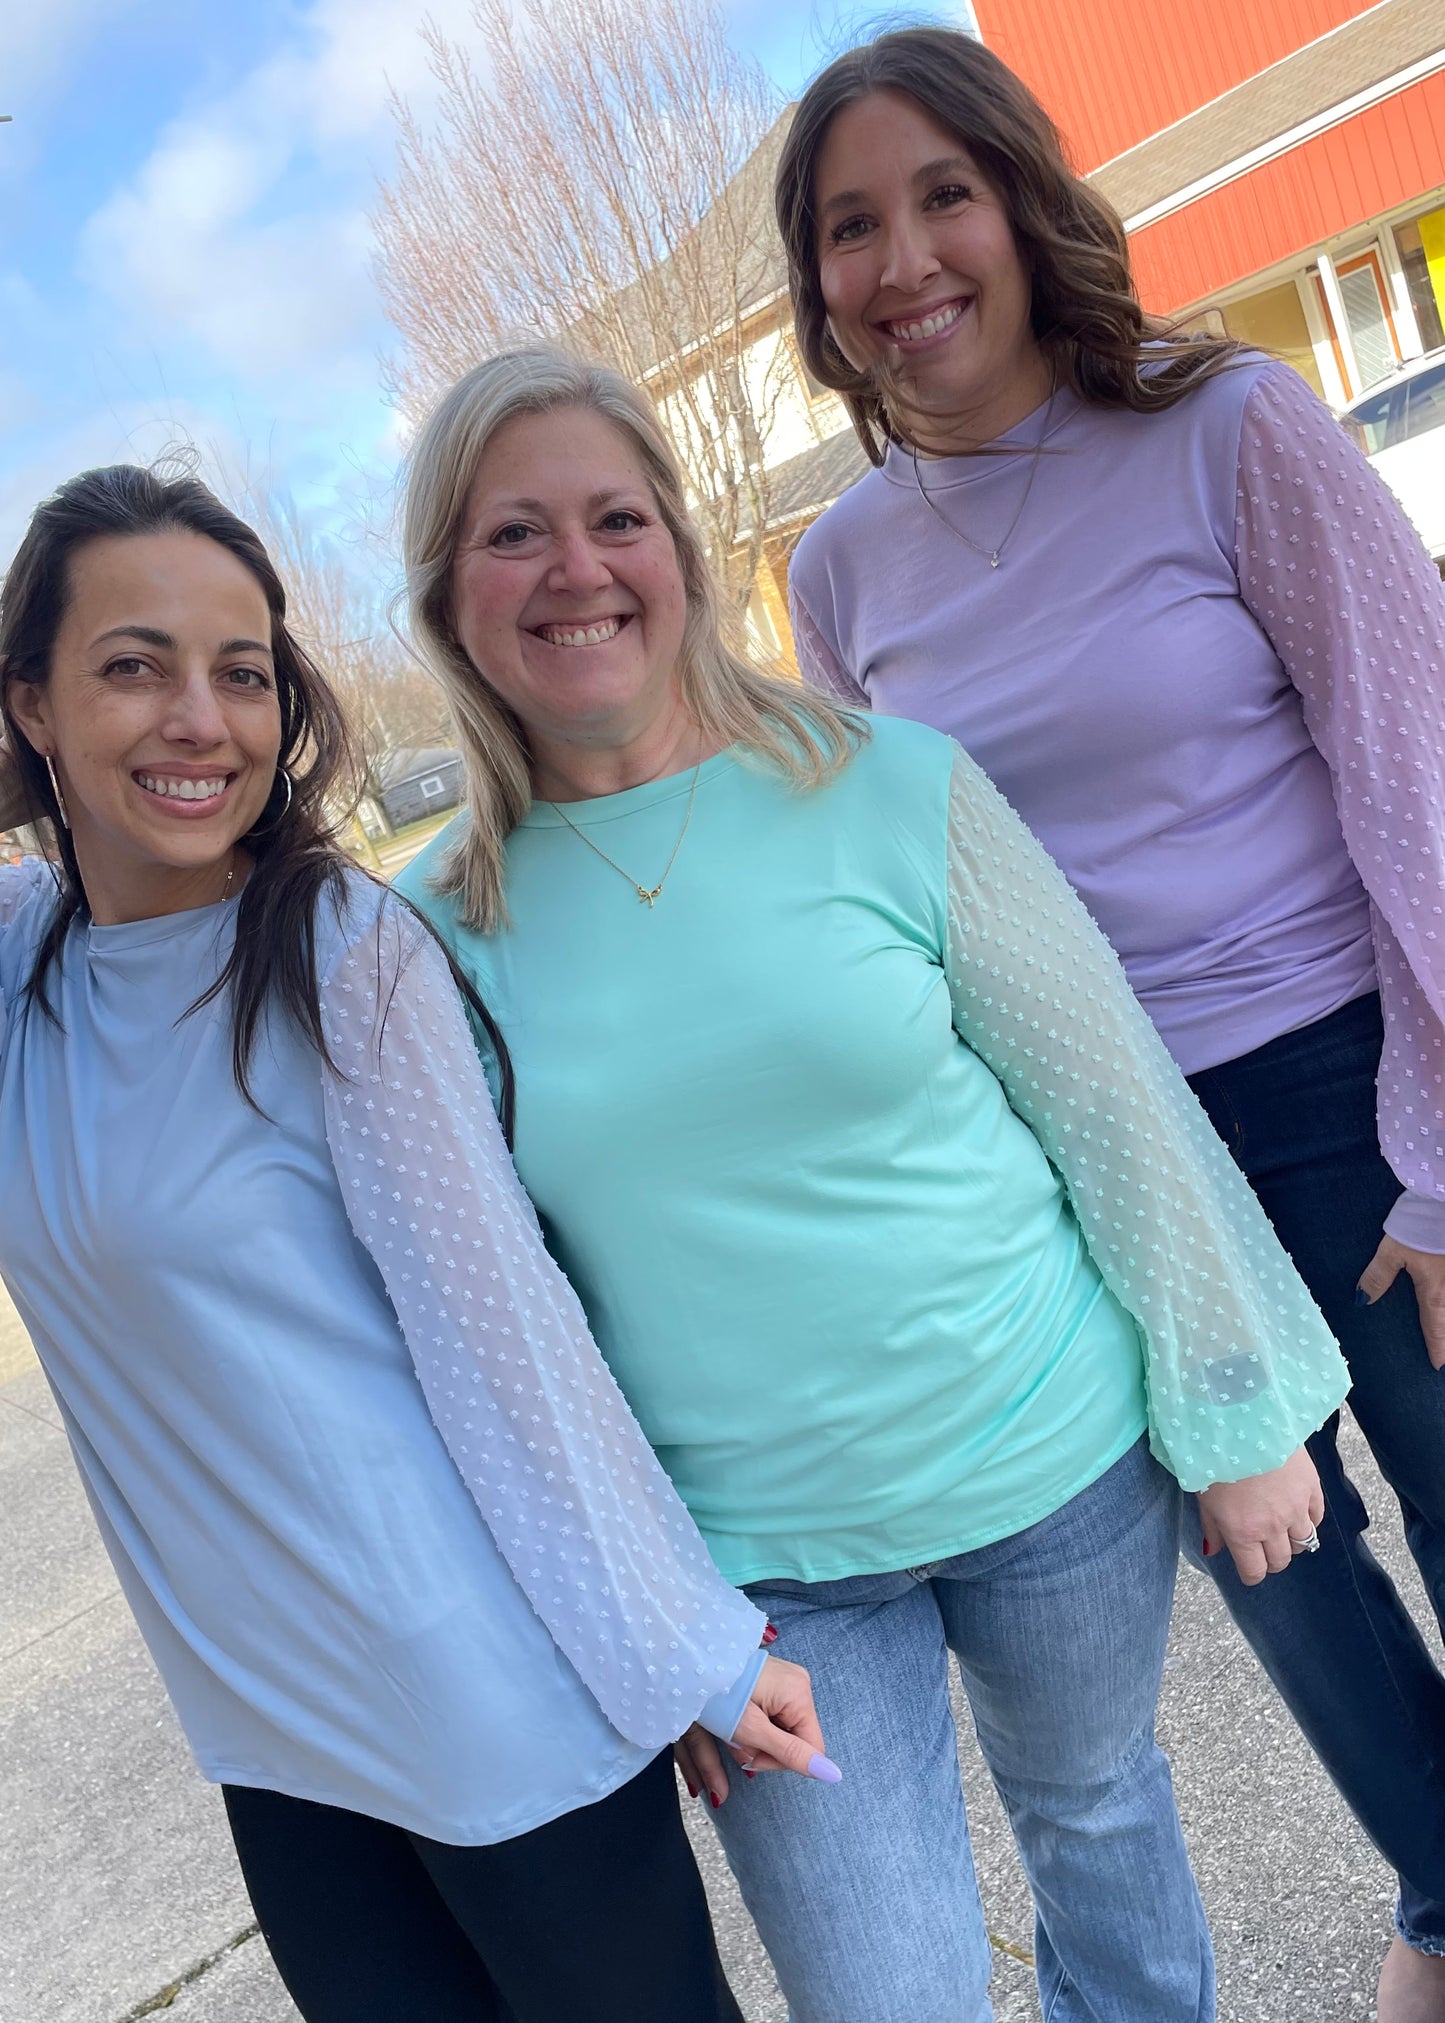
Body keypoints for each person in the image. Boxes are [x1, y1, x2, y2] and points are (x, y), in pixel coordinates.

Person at [394, 343, 1351, 2023]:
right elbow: (501, 1324)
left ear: (680, 556)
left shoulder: (889, 786)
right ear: (443, 595)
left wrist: (1237, 1403)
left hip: (1053, 1467)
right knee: (880, 1995)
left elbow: (1107, 1098)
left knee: (1100, 1820)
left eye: (615, 517)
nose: (574, 570)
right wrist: (654, 1632)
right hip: (760, 1567)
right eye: (510, 533)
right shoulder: (433, 933)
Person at [772, 25, 1445, 2020]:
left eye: (941, 197)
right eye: (849, 227)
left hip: (1347, 1081)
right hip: (1107, 1150)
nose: (905, 261)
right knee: (1293, 1573)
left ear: (1022, 201)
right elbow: (902, 896)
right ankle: (1439, 1887)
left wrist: (1443, 1138)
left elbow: (1416, 780)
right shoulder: (838, 573)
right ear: (817, 286)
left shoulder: (1230, 425)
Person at [0, 464, 831, 2023]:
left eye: (240, 674)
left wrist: (685, 1654)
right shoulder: (21, 970)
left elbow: (502, 1335)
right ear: (31, 704)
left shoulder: (337, 957)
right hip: (272, 1737)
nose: (202, 719)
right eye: (132, 667)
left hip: (489, 1717)